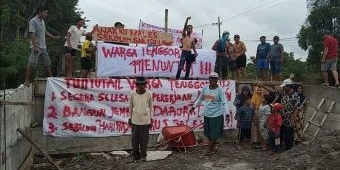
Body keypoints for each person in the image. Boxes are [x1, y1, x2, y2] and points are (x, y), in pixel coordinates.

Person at [189, 72, 229, 155]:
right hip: (207, 114)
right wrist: (193, 107)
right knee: (209, 133)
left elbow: (224, 102)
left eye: (215, 79)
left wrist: (227, 114)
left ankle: (210, 150)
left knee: (214, 133)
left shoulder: (220, 90)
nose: (213, 80)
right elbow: (200, 99)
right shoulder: (205, 88)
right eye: (211, 78)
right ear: (209, 79)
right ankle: (213, 148)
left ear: (217, 80)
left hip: (217, 115)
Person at [24, 6, 60, 87]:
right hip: (36, 46)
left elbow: (45, 32)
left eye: (46, 13)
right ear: (40, 11)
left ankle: (51, 80)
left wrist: (54, 37)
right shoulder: (33, 21)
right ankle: (26, 80)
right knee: (31, 63)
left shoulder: (42, 21)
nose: (46, 14)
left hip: (43, 47)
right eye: (45, 12)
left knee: (47, 63)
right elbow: (32, 33)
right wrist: (35, 46)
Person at [128, 77, 153, 161]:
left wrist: (151, 119)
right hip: (135, 120)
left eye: (143, 84)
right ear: (136, 85)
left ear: (145, 85)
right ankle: (135, 154)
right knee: (134, 139)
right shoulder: (132, 93)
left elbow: (151, 107)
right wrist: (129, 118)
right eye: (139, 84)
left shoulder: (149, 94)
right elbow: (130, 106)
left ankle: (143, 155)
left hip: (145, 121)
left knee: (144, 139)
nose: (141, 86)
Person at [280, 78, 300, 150]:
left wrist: (293, 119)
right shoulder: (284, 94)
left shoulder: (296, 96)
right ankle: (281, 147)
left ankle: (289, 149)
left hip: (289, 119)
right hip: (281, 118)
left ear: (289, 86)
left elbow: (297, 108)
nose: (283, 88)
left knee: (289, 135)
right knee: (281, 134)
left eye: (285, 87)